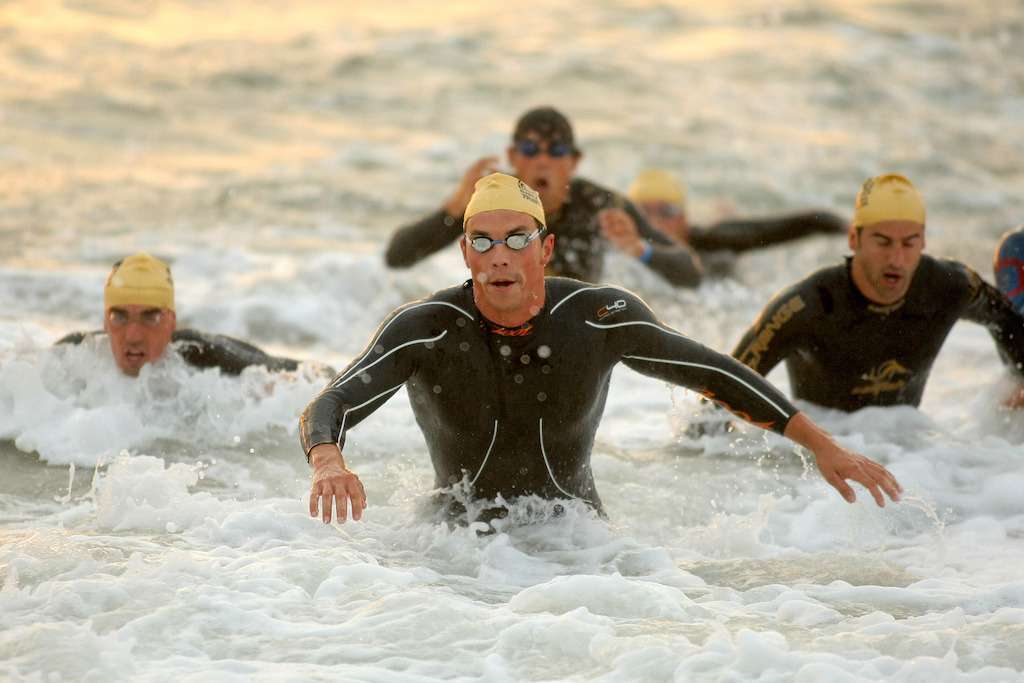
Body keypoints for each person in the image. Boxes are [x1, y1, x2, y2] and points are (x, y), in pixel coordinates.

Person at [302, 173, 902, 525]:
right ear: (466, 254)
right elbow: (331, 403)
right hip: (454, 547)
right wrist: (330, 461)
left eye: (517, 238)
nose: (500, 255)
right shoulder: (427, 327)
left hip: (576, 549)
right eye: (482, 241)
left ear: (545, 248)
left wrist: (821, 446)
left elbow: (711, 371)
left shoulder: (593, 316)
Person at [732, 174, 1024, 411]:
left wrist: (1017, 383)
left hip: (918, 458)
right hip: (817, 465)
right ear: (853, 239)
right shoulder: (807, 305)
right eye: (883, 243)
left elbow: (1010, 325)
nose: (896, 259)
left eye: (908, 243)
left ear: (923, 242)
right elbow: (722, 392)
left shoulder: (953, 286)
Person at [384, 107, 704, 287]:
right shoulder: (491, 202)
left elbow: (690, 274)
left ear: (573, 161)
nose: (542, 160)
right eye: (530, 149)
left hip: (574, 314)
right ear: (512, 155)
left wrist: (639, 249)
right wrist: (453, 210)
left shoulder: (600, 205)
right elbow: (397, 257)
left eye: (557, 151)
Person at [57, 252, 305, 376]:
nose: (133, 335)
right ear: (104, 321)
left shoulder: (204, 354)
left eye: (150, 317)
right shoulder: (71, 355)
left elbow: (304, 375)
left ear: (171, 323)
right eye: (119, 316)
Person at [626, 168, 846, 256]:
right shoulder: (617, 248)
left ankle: (726, 212)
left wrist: (852, 230)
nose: (655, 222)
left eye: (667, 211)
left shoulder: (715, 240)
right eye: (644, 213)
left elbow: (809, 222)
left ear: (684, 217)